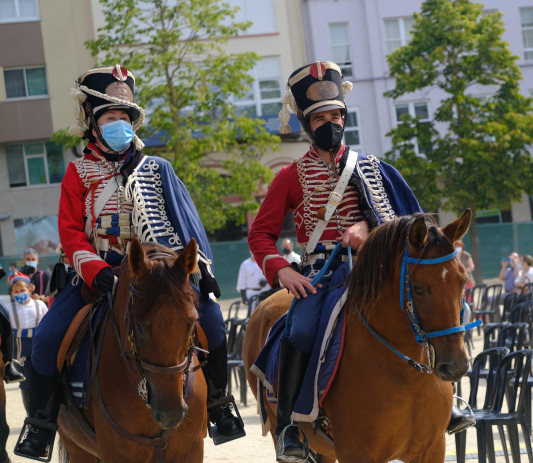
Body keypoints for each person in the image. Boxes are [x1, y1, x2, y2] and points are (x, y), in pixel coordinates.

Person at [14, 65, 244, 461]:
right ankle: (41, 426)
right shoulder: (78, 173)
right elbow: (70, 233)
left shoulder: (157, 169)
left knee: (212, 326)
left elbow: (184, 221)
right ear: (93, 123)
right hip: (96, 278)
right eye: (109, 117)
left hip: (159, 279)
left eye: (124, 117)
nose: (119, 124)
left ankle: (220, 406)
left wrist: (198, 273)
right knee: (48, 340)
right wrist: (99, 273)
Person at [248, 61, 468, 462]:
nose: (330, 123)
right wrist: (281, 270)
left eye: (336, 115)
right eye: (320, 117)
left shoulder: (375, 169)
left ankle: (449, 399)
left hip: (380, 271)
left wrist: (368, 229)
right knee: (300, 328)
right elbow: (259, 234)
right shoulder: (289, 177)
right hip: (322, 274)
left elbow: (413, 225)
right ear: (306, 124)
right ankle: (292, 426)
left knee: (445, 303)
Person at [8, 274, 48, 414]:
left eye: (22, 290)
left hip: (39, 346)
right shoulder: (9, 309)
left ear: (30, 289)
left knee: (42, 377)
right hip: (20, 349)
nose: (20, 294)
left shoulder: (40, 305)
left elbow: (46, 325)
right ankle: (30, 413)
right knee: (25, 382)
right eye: (16, 292)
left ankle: (44, 410)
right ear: (12, 293)